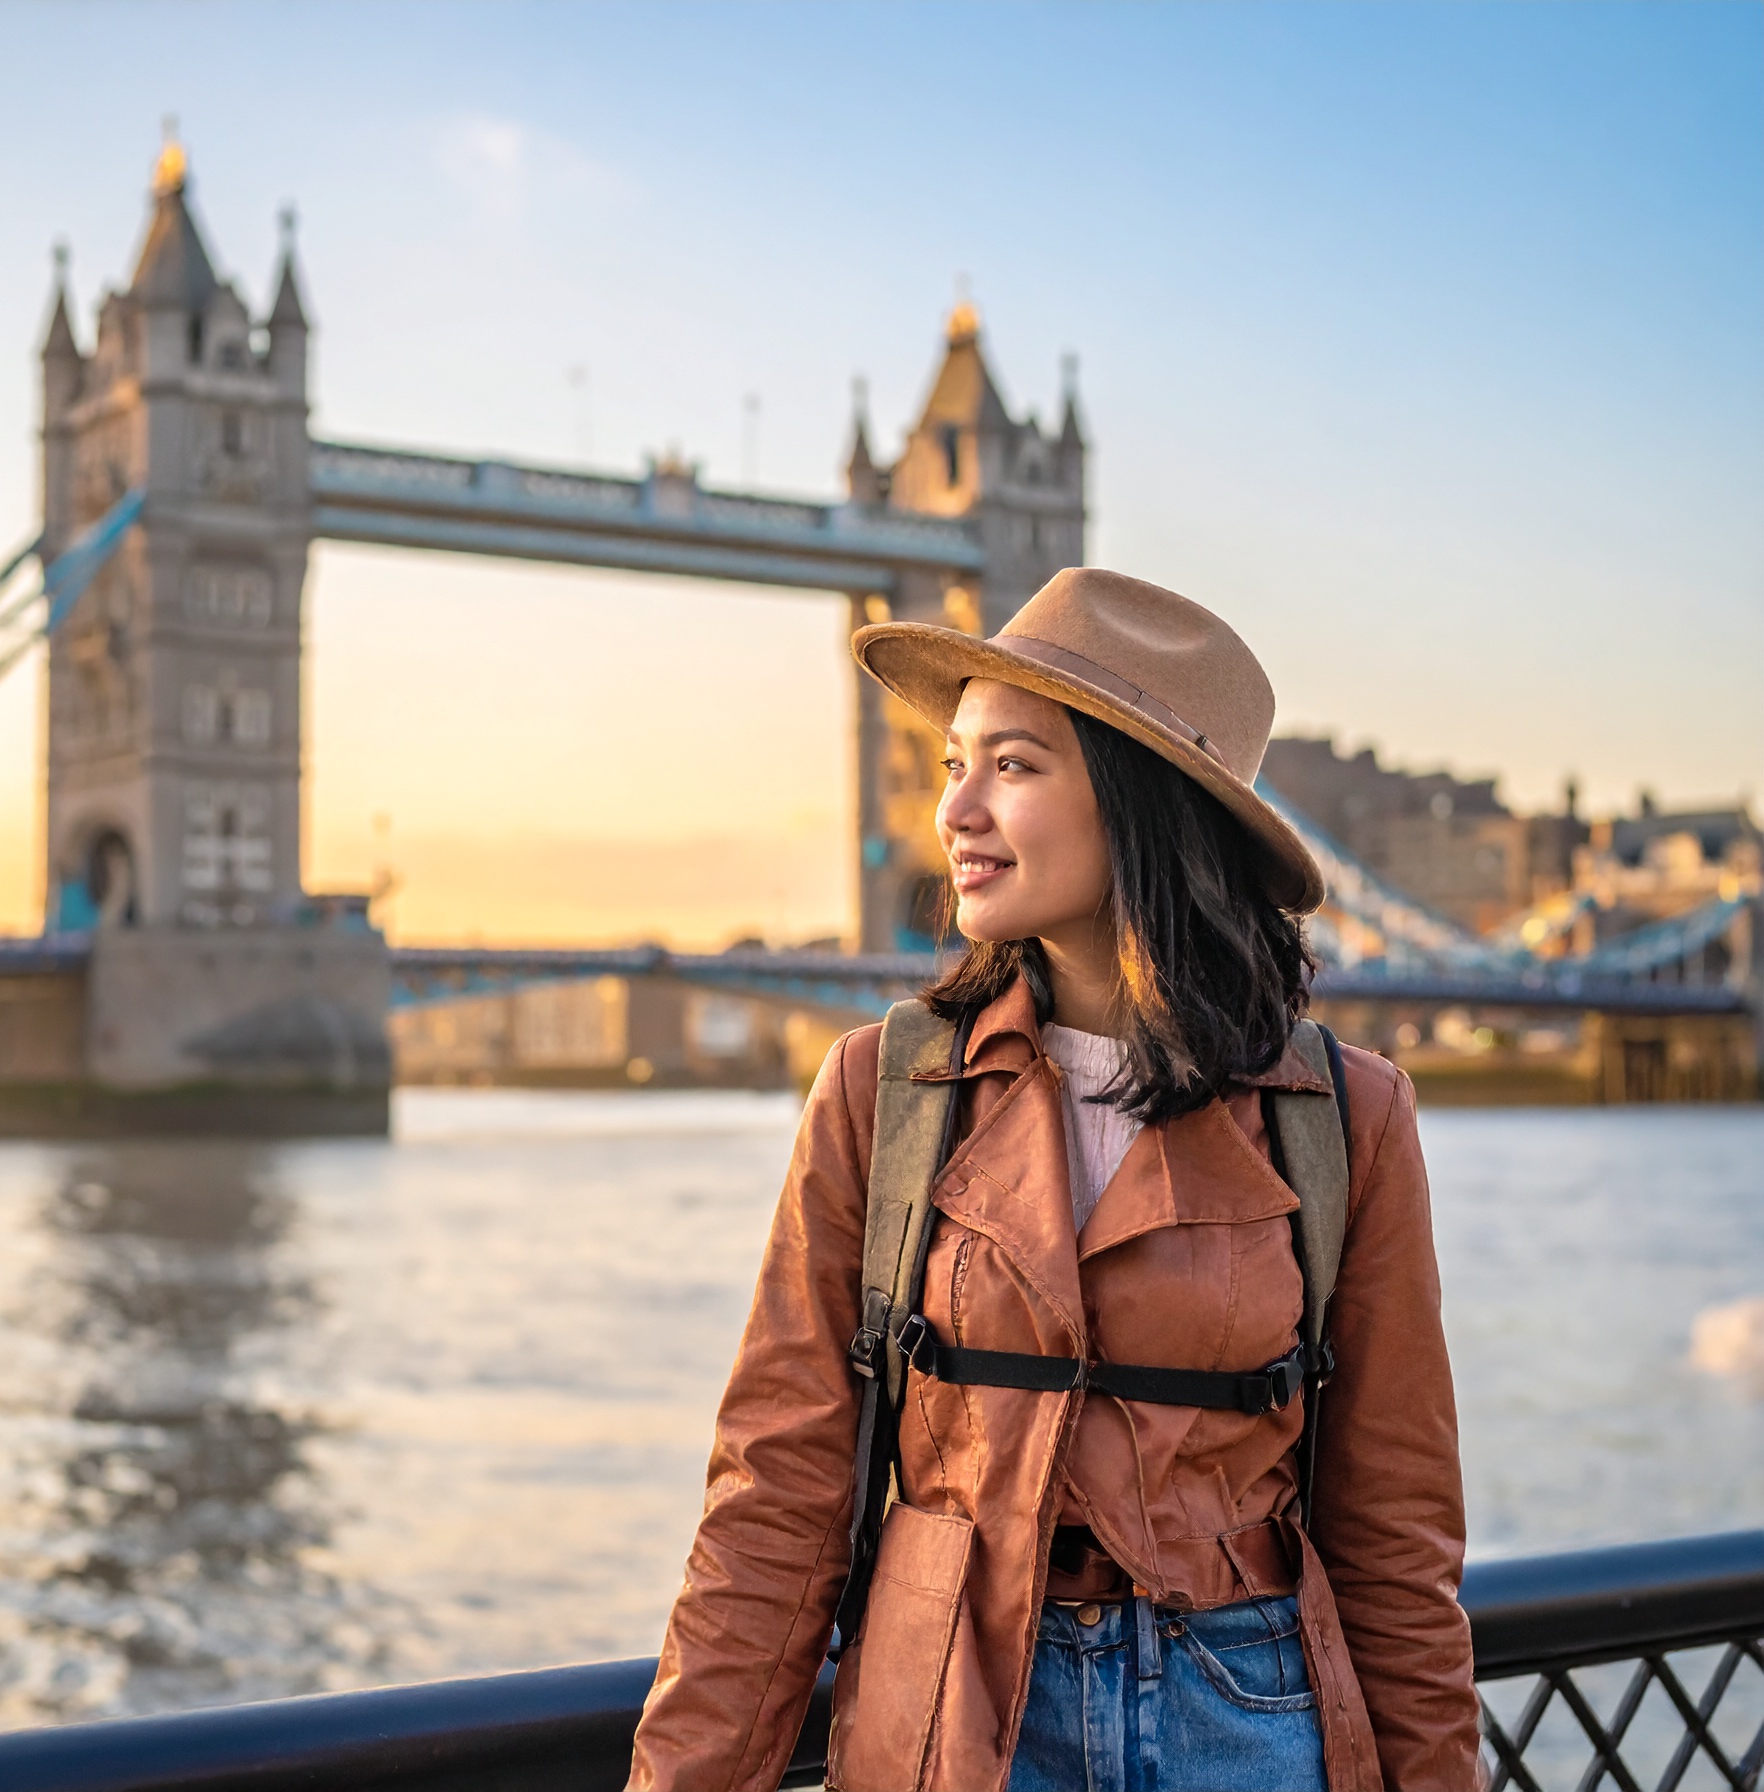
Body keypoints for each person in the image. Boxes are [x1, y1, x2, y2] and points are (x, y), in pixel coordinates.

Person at [627, 569, 1478, 1792]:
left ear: (1142, 804)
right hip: (953, 1725)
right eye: (951, 765)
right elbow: (776, 1502)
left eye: (1012, 765)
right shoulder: (885, 1092)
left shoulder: (1349, 1119)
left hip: (1244, 1725)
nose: (956, 812)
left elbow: (1396, 1541)